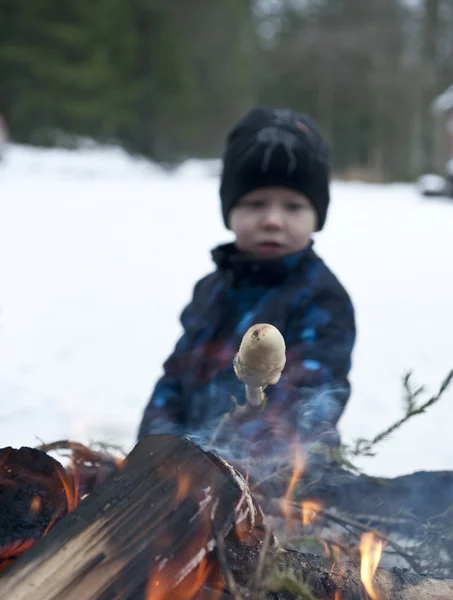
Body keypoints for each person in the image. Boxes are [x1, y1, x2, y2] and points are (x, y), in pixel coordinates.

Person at [137, 106, 356, 465]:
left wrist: (230, 462)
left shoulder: (321, 298)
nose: (272, 220)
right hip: (192, 472)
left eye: (293, 206)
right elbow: (175, 380)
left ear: (317, 218)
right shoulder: (211, 290)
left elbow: (312, 398)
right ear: (230, 211)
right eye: (255, 203)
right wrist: (156, 450)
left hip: (275, 482)